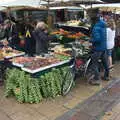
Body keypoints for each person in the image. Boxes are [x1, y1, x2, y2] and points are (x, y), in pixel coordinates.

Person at [90, 16, 109, 85]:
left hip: (97, 49)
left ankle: (96, 79)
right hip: (104, 48)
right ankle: (106, 76)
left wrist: (90, 40)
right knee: (105, 63)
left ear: (94, 21)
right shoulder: (103, 26)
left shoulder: (96, 28)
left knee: (94, 65)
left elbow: (97, 39)